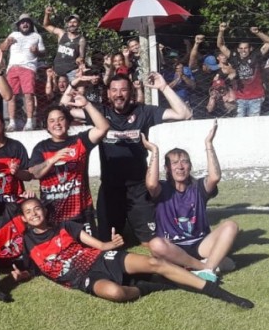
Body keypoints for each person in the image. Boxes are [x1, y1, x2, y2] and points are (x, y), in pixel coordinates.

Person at [17, 198, 253, 308]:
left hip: (99, 259)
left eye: (37, 208)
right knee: (116, 293)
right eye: (29, 211)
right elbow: (30, 269)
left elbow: (98, 246)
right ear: (24, 219)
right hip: (82, 278)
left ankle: (218, 292)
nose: (35, 213)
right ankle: (152, 286)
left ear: (44, 211)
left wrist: (109, 244)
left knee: (153, 263)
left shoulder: (65, 227)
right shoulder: (27, 243)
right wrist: (21, 276)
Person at [62, 73, 192, 244]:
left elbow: (183, 113)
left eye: (123, 89)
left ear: (130, 92)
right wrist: (73, 84)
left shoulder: (144, 112)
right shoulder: (99, 112)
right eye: (114, 90)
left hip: (139, 189)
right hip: (110, 189)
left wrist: (163, 87)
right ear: (108, 93)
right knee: (107, 241)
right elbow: (62, 111)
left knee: (150, 242)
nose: (119, 94)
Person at [143, 121, 237, 282]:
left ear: (190, 166)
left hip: (201, 245)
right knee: (156, 244)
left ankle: (197, 268)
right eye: (174, 163)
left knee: (231, 226)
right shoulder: (162, 189)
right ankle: (205, 267)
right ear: (167, 169)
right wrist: (155, 151)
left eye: (185, 162)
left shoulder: (198, 188)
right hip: (173, 248)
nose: (180, 167)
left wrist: (208, 143)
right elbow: (151, 183)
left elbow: (215, 177)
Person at [27, 95, 110, 233]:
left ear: (68, 121)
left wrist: (87, 105)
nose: (57, 124)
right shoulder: (41, 148)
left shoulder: (80, 141)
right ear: (46, 125)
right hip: (53, 213)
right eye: (52, 121)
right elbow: (34, 173)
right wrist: (52, 160)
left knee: (91, 252)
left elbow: (103, 127)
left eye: (61, 119)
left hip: (81, 213)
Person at [217, 22, 269, 117]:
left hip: (256, 97)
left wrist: (257, 32)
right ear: (238, 49)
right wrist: (221, 31)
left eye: (246, 48)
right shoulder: (234, 57)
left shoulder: (256, 55)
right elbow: (221, 45)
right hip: (240, 98)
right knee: (239, 123)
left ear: (250, 49)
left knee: (253, 123)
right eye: (241, 48)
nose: (243, 50)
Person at [0, 13, 46, 131]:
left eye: (27, 22)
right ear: (19, 25)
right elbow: (2, 48)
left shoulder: (37, 36)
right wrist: (7, 43)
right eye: (22, 22)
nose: (25, 24)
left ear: (30, 24)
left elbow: (43, 52)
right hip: (12, 68)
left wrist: (36, 51)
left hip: (28, 67)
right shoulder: (13, 34)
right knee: (11, 96)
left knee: (28, 95)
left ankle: (30, 121)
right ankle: (12, 123)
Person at [43, 7, 86, 82]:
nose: (72, 24)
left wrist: (80, 58)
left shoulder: (81, 39)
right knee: (55, 92)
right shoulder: (61, 33)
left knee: (72, 92)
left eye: (74, 22)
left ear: (79, 24)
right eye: (70, 22)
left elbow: (82, 56)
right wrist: (47, 14)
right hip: (57, 71)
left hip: (71, 72)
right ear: (67, 24)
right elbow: (46, 26)